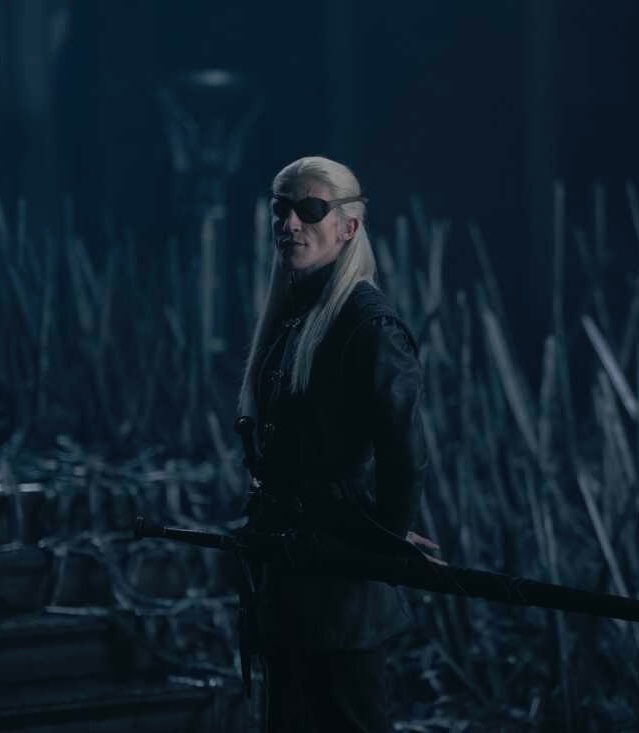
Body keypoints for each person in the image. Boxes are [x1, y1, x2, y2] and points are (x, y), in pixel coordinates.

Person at [236, 156, 440, 732]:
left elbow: (405, 458)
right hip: (287, 579)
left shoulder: (369, 327)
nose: (290, 223)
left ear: (348, 226)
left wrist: (383, 539)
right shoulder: (294, 318)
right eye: (281, 208)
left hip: (341, 591)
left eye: (310, 209)